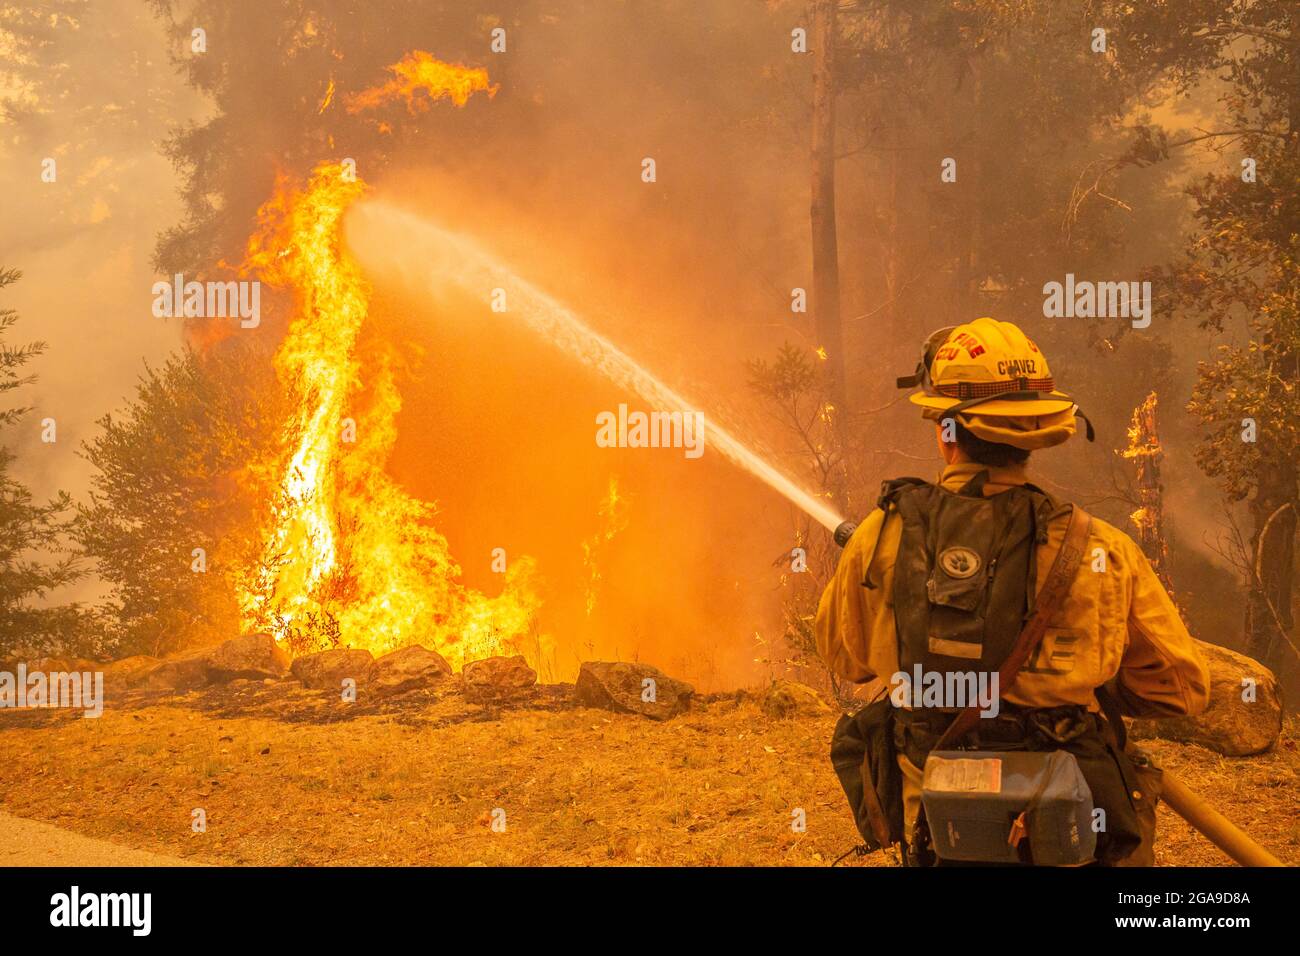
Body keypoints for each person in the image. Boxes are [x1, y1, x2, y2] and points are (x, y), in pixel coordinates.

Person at [816, 317, 1209, 866]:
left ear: (944, 428)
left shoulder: (877, 538)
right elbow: (1181, 688)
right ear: (1035, 434)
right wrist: (1077, 683)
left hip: (936, 828)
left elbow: (845, 659)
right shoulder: (1101, 548)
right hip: (1066, 830)